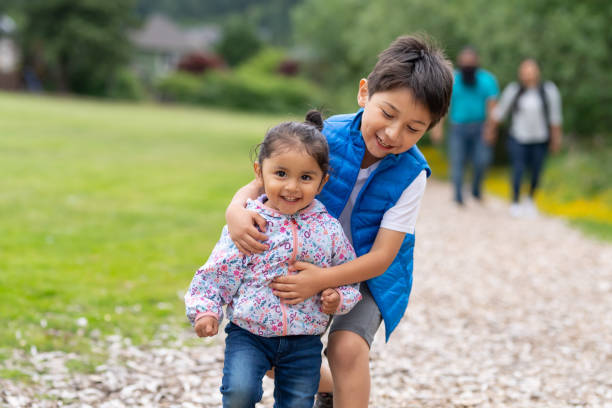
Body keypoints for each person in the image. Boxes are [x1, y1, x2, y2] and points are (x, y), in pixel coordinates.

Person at [225, 35, 454, 408]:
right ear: (365, 93)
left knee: (346, 348)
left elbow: (382, 257)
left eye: (414, 128)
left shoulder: (412, 173)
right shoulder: (325, 136)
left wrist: (322, 279)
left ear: (430, 128)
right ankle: (328, 387)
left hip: (368, 274)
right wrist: (235, 211)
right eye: (388, 114)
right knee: (267, 345)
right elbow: (260, 183)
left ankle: (344, 391)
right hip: (302, 258)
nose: (394, 134)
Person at [185, 111, 362, 408]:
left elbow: (347, 276)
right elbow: (216, 272)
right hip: (249, 334)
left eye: (305, 177)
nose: (292, 187)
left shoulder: (328, 229)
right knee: (238, 393)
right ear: (259, 172)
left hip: (304, 339)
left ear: (322, 182)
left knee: (296, 403)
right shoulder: (249, 223)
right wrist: (206, 311)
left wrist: (337, 297)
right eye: (281, 174)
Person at [488, 58, 563, 217]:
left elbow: (555, 118)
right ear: (520, 73)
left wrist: (556, 139)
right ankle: (515, 201)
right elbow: (500, 113)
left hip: (540, 139)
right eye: (525, 70)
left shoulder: (548, 91)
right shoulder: (514, 91)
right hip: (518, 138)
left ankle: (530, 199)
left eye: (531, 69)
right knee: (518, 169)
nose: (528, 73)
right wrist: (490, 130)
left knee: (536, 171)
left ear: (537, 71)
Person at [431, 46, 499, 205]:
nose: (468, 65)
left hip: (480, 127)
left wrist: (491, 129)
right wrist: (437, 128)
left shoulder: (487, 81)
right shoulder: (453, 80)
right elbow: (444, 107)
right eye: (465, 62)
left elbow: (493, 108)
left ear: (477, 63)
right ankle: (458, 195)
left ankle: (476, 189)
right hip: (458, 128)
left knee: (482, 160)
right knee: (457, 161)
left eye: (471, 62)